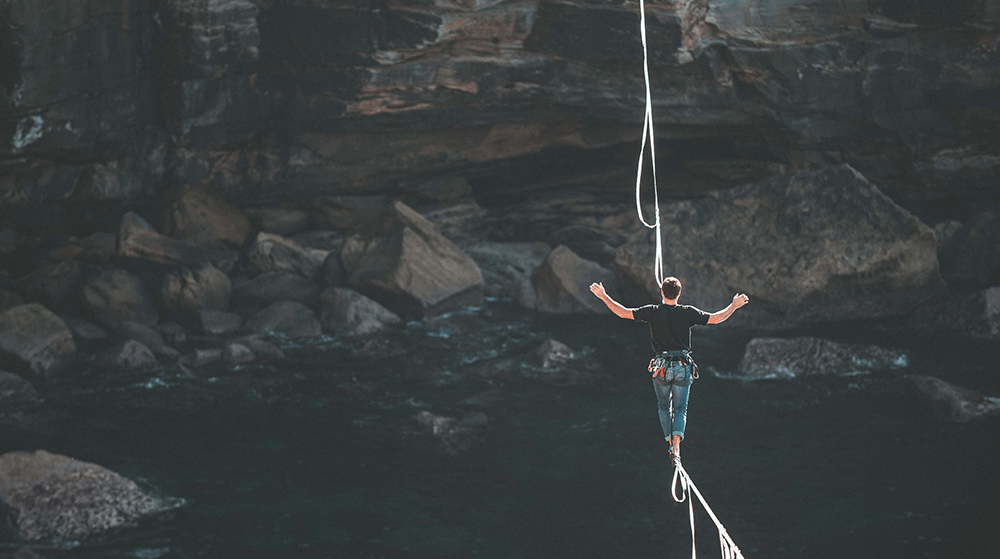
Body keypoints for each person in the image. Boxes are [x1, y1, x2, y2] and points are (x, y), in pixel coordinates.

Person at [589, 277, 749, 460]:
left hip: (661, 367)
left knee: (664, 406)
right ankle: (676, 446)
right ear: (679, 294)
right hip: (682, 365)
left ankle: (669, 442)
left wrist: (603, 296)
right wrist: (734, 305)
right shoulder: (688, 312)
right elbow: (716, 318)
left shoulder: (652, 311)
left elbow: (623, 312)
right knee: (681, 409)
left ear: (661, 293)